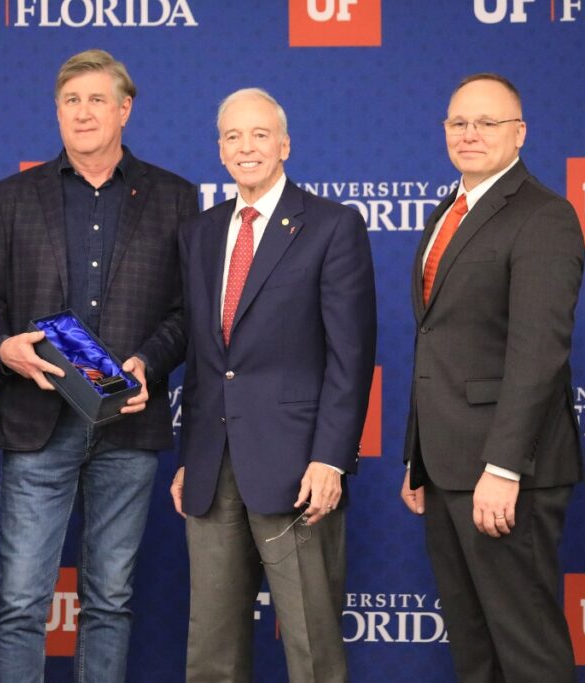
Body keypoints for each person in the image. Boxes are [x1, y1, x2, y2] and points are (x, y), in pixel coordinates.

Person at [0, 49, 199, 683]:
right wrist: (4, 349)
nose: (83, 112)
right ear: (57, 111)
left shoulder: (177, 198)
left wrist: (148, 360)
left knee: (110, 603)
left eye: (98, 99)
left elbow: (188, 314)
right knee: (19, 602)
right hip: (37, 419)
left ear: (125, 110)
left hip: (128, 425)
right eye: (71, 100)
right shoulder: (12, 196)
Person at [171, 88, 376, 683]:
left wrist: (330, 459)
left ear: (284, 145)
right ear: (219, 151)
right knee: (211, 649)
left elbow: (351, 356)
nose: (246, 147)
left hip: (298, 471)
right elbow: (208, 360)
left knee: (312, 646)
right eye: (233, 137)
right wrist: (191, 458)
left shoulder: (332, 226)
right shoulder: (201, 234)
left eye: (260, 134)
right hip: (212, 469)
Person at [400, 73, 585, 683]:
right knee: (474, 649)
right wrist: (417, 457)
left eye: (487, 123)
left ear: (519, 134)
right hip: (447, 466)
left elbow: (538, 354)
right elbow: (436, 342)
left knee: (527, 649)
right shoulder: (446, 213)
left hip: (505, 475)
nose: (470, 134)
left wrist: (503, 468)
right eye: (458, 123)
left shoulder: (543, 216)